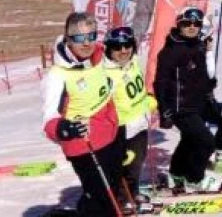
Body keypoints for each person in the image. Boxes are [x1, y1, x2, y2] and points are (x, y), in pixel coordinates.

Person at [41, 13, 125, 216]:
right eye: (79, 38)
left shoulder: (99, 56)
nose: (86, 43)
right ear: (68, 39)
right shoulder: (58, 76)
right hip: (85, 146)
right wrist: (64, 128)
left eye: (91, 36)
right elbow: (48, 120)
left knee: (112, 190)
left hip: (111, 135)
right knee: (102, 200)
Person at [155, 6, 222, 192]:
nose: (192, 27)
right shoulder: (170, 52)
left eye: (196, 24)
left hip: (198, 104)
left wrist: (209, 91)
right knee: (205, 141)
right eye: (187, 23)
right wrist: (164, 110)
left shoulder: (197, 46)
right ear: (179, 24)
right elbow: (160, 83)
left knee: (190, 140)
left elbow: (204, 77)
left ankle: (176, 175)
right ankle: (194, 179)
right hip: (180, 108)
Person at [103, 26, 157, 208]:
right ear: (109, 49)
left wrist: (148, 100)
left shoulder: (134, 62)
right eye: (117, 47)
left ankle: (132, 194)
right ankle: (120, 202)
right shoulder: (106, 74)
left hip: (140, 124)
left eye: (127, 45)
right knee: (122, 169)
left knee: (136, 166)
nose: (123, 51)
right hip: (122, 130)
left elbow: (139, 89)